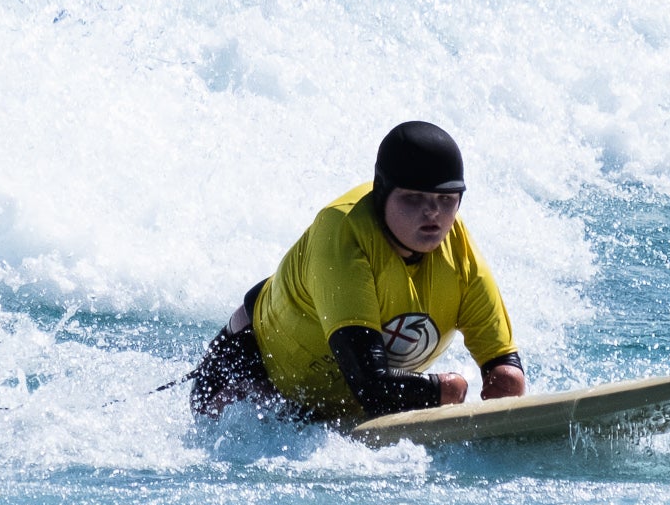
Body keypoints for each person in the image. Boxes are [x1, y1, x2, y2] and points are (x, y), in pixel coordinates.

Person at [188, 121, 527, 422]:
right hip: (251, 372)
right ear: (382, 193)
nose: (433, 214)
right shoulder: (343, 232)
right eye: (413, 198)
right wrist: (444, 390)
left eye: (446, 199)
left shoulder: (459, 253)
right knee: (244, 415)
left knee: (510, 383)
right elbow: (373, 390)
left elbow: (505, 373)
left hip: (352, 399)